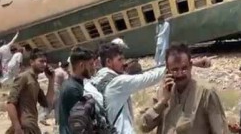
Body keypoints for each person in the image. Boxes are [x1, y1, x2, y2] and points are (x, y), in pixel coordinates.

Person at [84, 42, 212, 134]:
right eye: (120, 59)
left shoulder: (94, 82)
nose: (124, 63)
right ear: (108, 62)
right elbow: (149, 77)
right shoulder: (117, 83)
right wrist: (190, 64)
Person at [140, 43, 228, 134]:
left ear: (190, 66)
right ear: (167, 70)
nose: (180, 73)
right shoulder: (163, 92)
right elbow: (144, 126)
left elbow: (220, 130)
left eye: (184, 68)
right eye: (175, 70)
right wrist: (162, 102)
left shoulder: (206, 93)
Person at [6, 48, 55, 134]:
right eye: (41, 61)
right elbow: (10, 104)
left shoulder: (34, 80)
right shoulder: (24, 77)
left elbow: (47, 103)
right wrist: (17, 127)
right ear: (32, 62)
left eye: (45, 62)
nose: (44, 64)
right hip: (25, 127)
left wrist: (51, 80)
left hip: (32, 126)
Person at [58, 47, 95, 134]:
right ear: (81, 65)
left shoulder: (77, 84)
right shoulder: (71, 88)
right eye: (91, 64)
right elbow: (78, 122)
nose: (93, 67)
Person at [40, 61, 69, 126]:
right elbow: (67, 81)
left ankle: (43, 117)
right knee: (57, 105)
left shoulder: (57, 70)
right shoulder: (63, 72)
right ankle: (58, 121)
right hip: (57, 90)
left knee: (49, 104)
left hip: (51, 87)